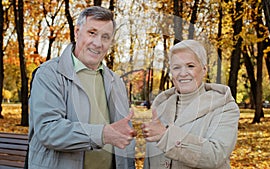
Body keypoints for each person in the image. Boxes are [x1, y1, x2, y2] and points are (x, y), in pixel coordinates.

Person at [28, 6, 136, 169]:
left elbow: (124, 136)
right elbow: (48, 130)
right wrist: (102, 134)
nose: (98, 43)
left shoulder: (116, 81)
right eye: (92, 33)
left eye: (105, 37)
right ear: (77, 32)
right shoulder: (49, 74)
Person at [141, 40, 240, 169]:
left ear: (204, 70)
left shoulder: (225, 107)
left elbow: (215, 155)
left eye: (190, 66)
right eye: (176, 67)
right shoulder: (161, 108)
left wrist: (167, 137)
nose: (183, 73)